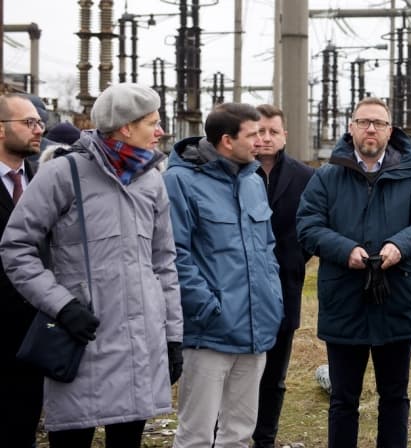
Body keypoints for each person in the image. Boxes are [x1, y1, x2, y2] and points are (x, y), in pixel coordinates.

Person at [0, 83, 183, 448]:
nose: (160, 132)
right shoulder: (62, 173)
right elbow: (16, 247)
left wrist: (173, 335)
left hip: (139, 343)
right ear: (126, 127)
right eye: (152, 123)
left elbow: (163, 262)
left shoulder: (150, 179)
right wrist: (62, 305)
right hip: (81, 339)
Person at [296, 97, 411, 447]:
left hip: (395, 299)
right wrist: (345, 250)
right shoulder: (327, 176)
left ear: (390, 131)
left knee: (394, 397)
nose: (371, 129)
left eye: (378, 123)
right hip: (344, 301)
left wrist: (399, 246)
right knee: (343, 399)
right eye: (363, 122)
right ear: (351, 128)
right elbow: (308, 226)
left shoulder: (410, 176)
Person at [164, 103, 283, 448]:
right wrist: (207, 308)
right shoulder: (180, 182)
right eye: (253, 134)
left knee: (239, 433)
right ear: (227, 141)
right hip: (209, 333)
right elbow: (174, 254)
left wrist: (272, 299)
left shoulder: (253, 181)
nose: (261, 141)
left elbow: (267, 248)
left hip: (255, 329)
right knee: (196, 435)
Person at [251, 104, 314, 448]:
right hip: (240, 287)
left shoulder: (305, 177)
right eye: (259, 131)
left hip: (284, 285)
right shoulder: (234, 172)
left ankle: (265, 438)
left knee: (274, 375)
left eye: (273, 132)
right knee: (236, 373)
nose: (265, 138)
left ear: (284, 136)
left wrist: (293, 260)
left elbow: (313, 227)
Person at [0, 93, 44, 448]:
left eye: (39, 122)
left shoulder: (40, 180)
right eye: (29, 122)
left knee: (23, 424)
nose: (39, 129)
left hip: (31, 330)